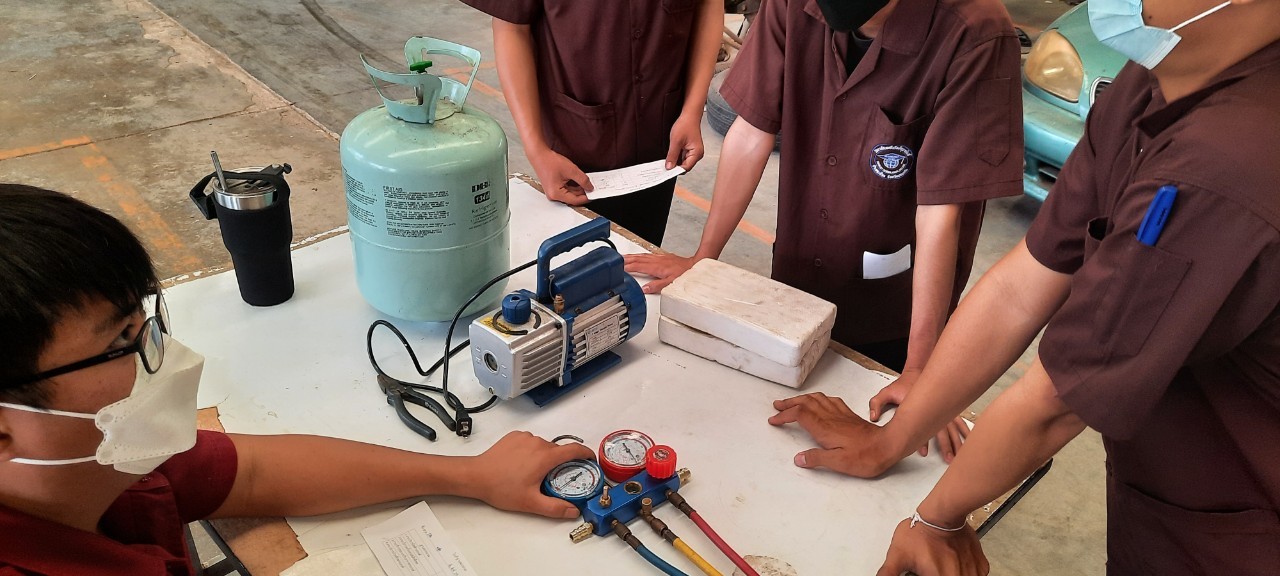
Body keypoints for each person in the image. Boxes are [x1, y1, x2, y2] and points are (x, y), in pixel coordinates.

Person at [767, 0, 1280, 572]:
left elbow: (1057, 400)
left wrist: (936, 519)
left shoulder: (1231, 160)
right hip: (1168, 494)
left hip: (1239, 527)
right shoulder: (1153, 83)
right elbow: (1022, 284)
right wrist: (890, 440)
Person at [0, 184, 595, 575]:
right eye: (119, 344)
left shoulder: (109, 466)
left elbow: (253, 472)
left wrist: (470, 475)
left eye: (145, 326)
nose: (163, 356)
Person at [458, 0, 724, 246]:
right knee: (576, 263)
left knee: (643, 252)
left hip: (661, 138)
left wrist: (692, 111)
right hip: (575, 144)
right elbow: (511, 26)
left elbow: (709, 5)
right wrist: (536, 148)